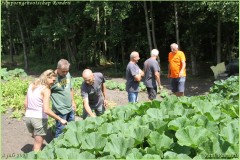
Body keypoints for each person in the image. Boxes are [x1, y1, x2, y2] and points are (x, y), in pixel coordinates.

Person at [24, 70, 67, 152]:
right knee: (37, 147)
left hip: (28, 117)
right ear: (47, 77)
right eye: (53, 80)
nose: (54, 82)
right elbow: (46, 110)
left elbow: (25, 104)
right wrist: (60, 119)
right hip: (39, 119)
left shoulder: (32, 85)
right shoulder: (46, 90)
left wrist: (29, 114)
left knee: (36, 142)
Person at [50, 59, 76, 138]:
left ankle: (70, 143)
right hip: (60, 109)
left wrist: (73, 102)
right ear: (57, 69)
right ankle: (58, 147)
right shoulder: (52, 78)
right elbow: (45, 92)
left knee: (71, 127)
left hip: (70, 107)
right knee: (60, 130)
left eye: (66, 71)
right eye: (63, 71)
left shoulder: (67, 74)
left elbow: (70, 89)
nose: (65, 73)